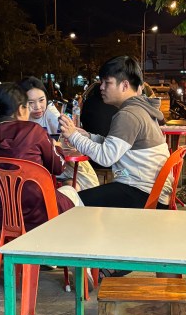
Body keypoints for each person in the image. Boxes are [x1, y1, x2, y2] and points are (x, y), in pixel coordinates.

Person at [58, 55, 170, 208]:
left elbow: (105, 157)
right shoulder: (139, 109)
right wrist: (88, 136)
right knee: (78, 196)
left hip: (142, 194)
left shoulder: (129, 115)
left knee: (71, 201)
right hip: (151, 192)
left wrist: (73, 136)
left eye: (107, 82)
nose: (101, 87)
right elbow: (114, 145)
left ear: (124, 85)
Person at [0, 82, 80, 232]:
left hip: (1, 214)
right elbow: (58, 167)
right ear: (21, 109)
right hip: (40, 212)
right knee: (71, 191)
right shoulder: (34, 131)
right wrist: (56, 147)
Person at [21, 75, 98, 191]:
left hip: (62, 165)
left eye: (41, 100)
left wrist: (64, 130)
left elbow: (61, 130)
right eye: (30, 102)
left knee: (74, 186)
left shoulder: (50, 112)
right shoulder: (20, 116)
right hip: (35, 168)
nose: (37, 107)